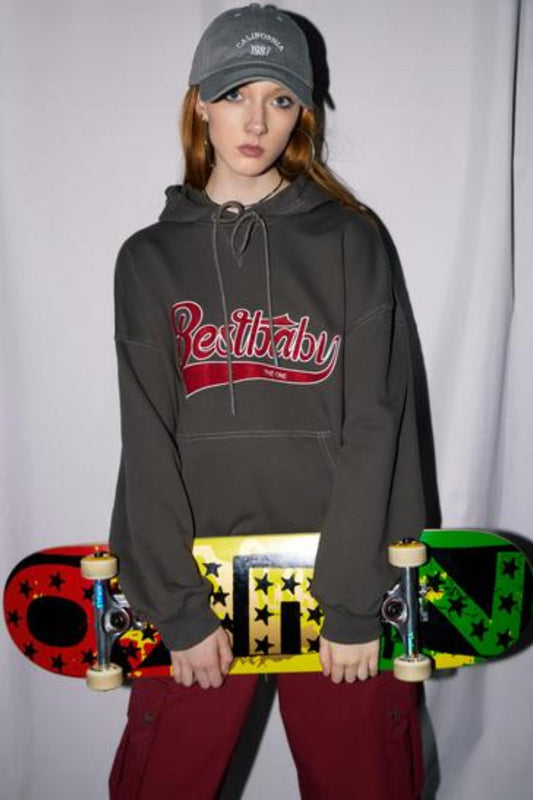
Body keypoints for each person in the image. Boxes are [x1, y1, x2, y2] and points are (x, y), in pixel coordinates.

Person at [108, 4, 426, 799]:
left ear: (301, 115)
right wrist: (177, 607)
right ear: (199, 103)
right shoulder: (147, 259)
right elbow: (146, 438)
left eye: (280, 99)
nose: (255, 121)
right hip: (198, 584)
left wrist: (353, 599)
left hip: (340, 578)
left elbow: (378, 421)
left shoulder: (351, 240)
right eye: (235, 93)